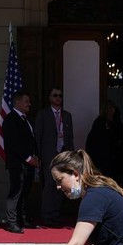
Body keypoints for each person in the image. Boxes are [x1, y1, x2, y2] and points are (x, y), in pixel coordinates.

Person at [34, 86, 74, 227]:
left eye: (60, 95)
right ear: (50, 98)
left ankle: (56, 214)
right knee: (49, 185)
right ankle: (46, 216)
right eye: (55, 95)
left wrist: (71, 157)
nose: (58, 98)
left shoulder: (67, 115)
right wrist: (37, 155)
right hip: (48, 155)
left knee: (60, 185)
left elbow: (70, 138)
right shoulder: (43, 114)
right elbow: (37, 136)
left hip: (62, 154)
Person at [3, 91, 39, 233]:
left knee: (25, 192)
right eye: (26, 101)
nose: (29, 104)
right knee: (15, 192)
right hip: (17, 164)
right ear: (17, 103)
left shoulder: (27, 120)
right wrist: (29, 159)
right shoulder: (11, 119)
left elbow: (31, 141)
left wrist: (35, 157)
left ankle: (22, 218)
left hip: (28, 165)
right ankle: (11, 222)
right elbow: (14, 143)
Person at [85, 99, 123, 178]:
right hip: (101, 156)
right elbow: (96, 139)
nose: (112, 110)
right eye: (110, 108)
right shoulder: (100, 122)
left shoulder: (115, 121)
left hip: (112, 155)